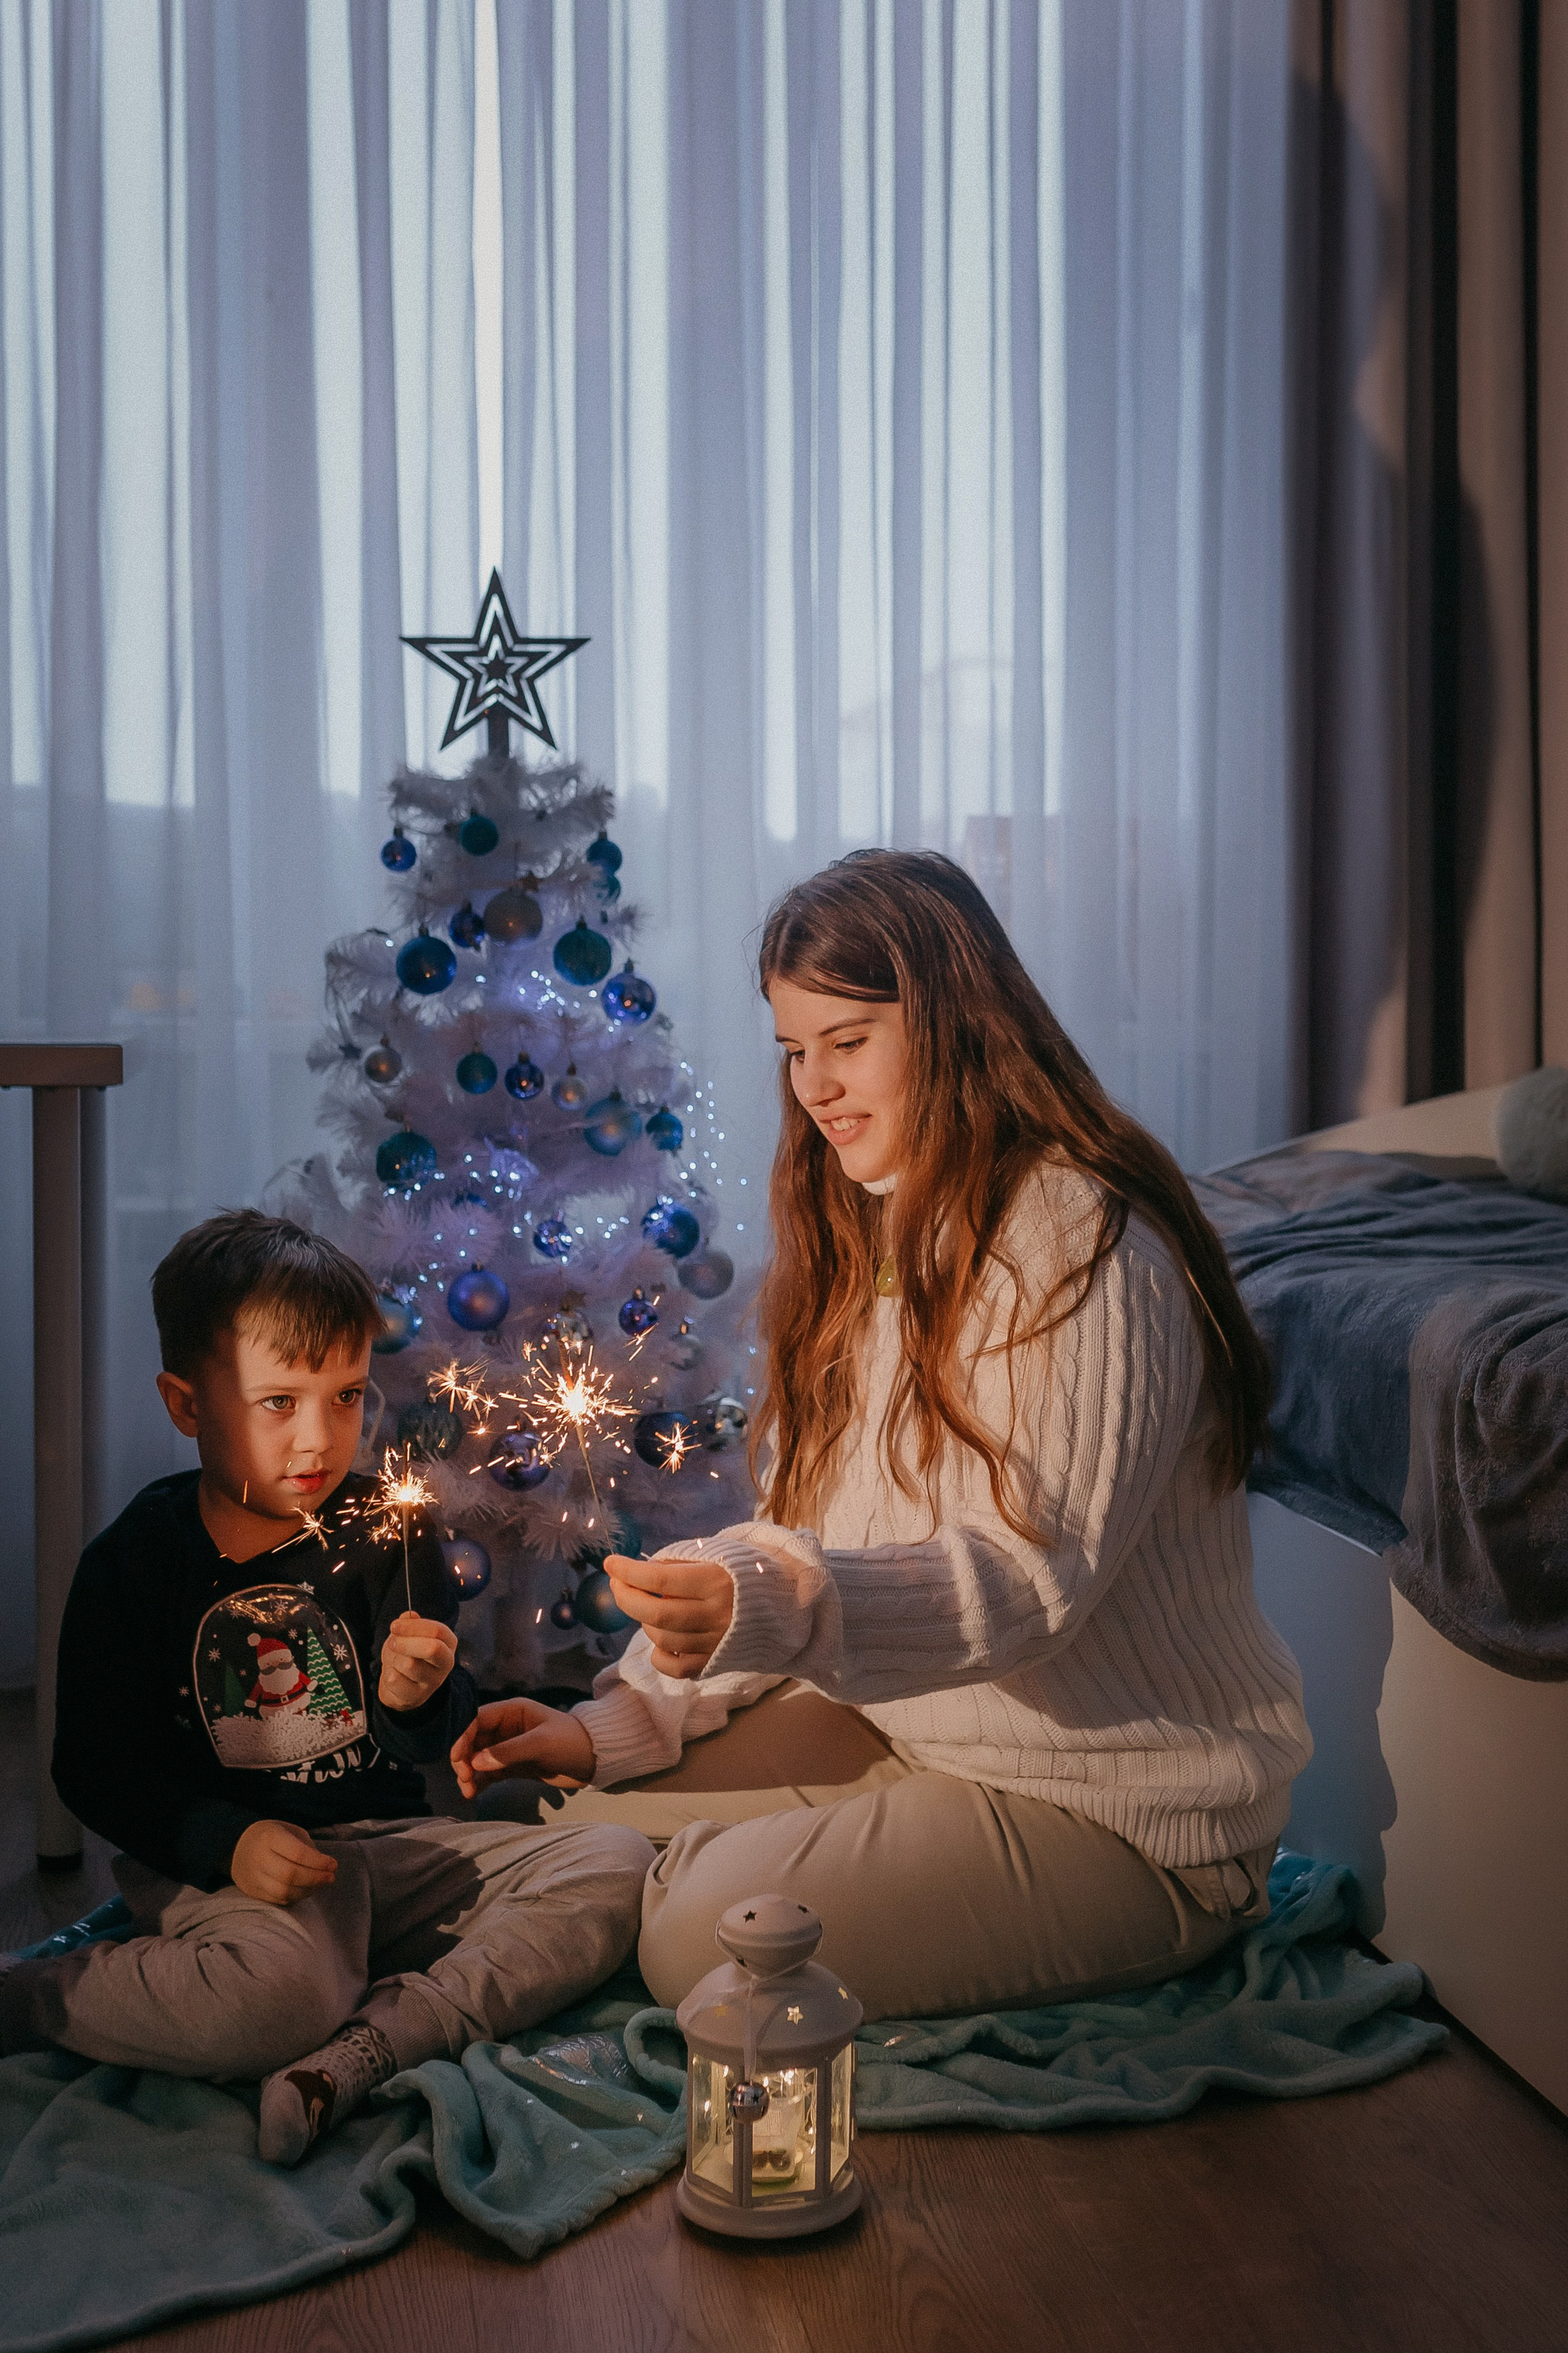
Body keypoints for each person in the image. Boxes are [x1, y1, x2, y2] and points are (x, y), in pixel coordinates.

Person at [453, 850, 1313, 2020]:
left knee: (689, 1937)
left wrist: (776, 1603)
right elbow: (813, 1535)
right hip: (925, 1733)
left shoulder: (1080, 1241)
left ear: (958, 1022)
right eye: (794, 1050)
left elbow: (1026, 1579)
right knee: (578, 1822)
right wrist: (620, 1720)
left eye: (847, 1042)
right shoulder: (883, 1229)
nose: (814, 1086)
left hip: (1123, 1811)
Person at [0, 1211, 652, 2164]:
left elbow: (429, 1741)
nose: (320, 1437)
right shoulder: (136, 1562)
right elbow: (91, 1768)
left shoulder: (385, 1531)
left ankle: (374, 2041)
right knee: (277, 1996)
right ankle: (41, 1993)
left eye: (346, 1396)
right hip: (233, 1877)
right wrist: (223, 1840)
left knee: (617, 1862)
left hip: (382, 1853)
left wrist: (420, 1698)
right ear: (187, 1404)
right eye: (279, 1402)